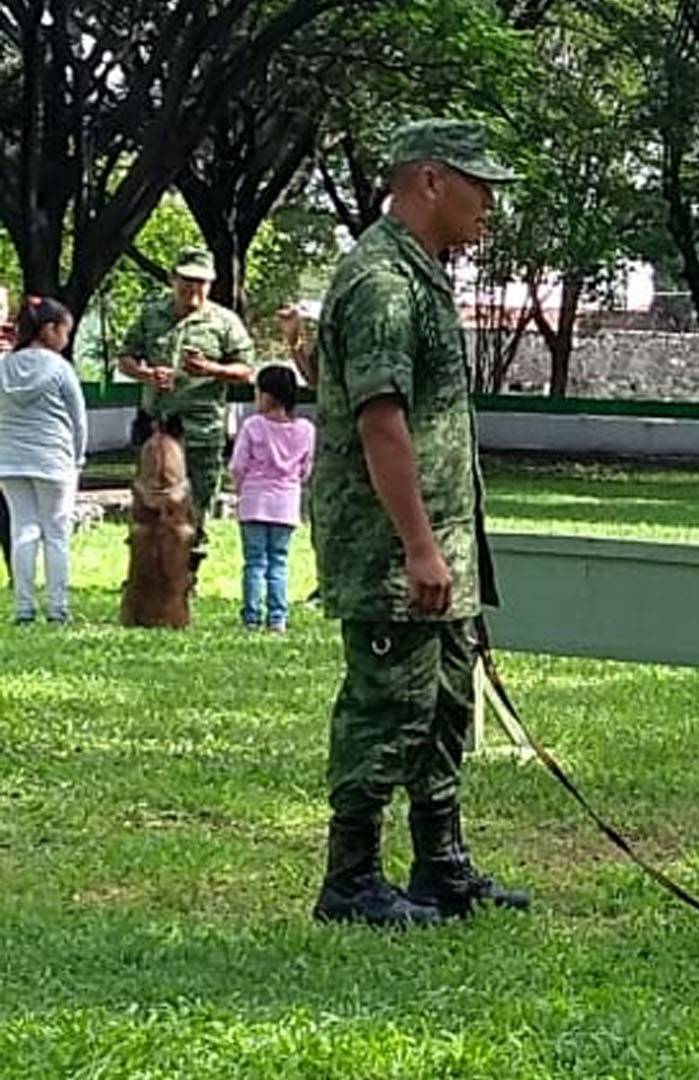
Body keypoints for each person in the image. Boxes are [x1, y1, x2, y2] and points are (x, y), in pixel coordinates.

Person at [308, 119, 529, 927]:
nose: (490, 205)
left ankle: (441, 864)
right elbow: (381, 421)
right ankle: (352, 880)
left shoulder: (421, 274)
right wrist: (420, 548)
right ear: (431, 180)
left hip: (441, 549)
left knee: (442, 708)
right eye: (480, 185)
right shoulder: (382, 283)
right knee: (386, 706)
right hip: (394, 551)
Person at [116, 248, 256, 563]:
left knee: (195, 506)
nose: (194, 289)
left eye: (201, 283)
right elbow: (125, 357)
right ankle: (146, 570)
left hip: (201, 431)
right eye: (187, 281)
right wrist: (146, 374)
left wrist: (212, 369)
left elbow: (246, 369)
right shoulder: (151, 315)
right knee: (148, 502)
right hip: (156, 427)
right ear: (173, 279)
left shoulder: (224, 321)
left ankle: (186, 574)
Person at [0, 296, 86, 625]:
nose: (66, 339)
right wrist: (78, 457)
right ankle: (57, 608)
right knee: (55, 533)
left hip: (8, 459)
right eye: (65, 331)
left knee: (23, 529)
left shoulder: (3, 365)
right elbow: (78, 420)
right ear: (49, 330)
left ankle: (23, 608)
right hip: (54, 459)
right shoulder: (60, 368)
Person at [229, 364, 314, 633]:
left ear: (268, 396)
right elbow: (306, 469)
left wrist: (240, 490)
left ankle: (251, 617)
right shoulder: (306, 429)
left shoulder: (253, 426)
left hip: (254, 501)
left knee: (254, 562)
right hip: (286, 503)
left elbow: (238, 466)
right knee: (279, 561)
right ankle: (278, 617)